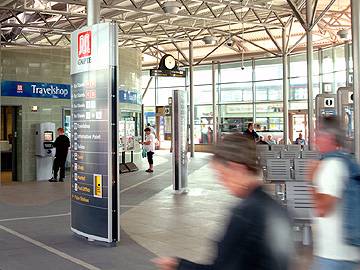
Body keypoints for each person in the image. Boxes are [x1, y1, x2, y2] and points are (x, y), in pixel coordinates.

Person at [153, 134, 294, 270]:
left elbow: (223, 267)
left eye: (221, 174)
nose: (221, 182)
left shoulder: (245, 213)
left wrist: (179, 266)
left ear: (236, 168)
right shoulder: (274, 207)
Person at [310, 116, 360, 270]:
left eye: (317, 134)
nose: (314, 138)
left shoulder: (331, 166)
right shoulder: (348, 161)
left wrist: (311, 181)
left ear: (329, 137)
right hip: (347, 250)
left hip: (333, 255)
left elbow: (322, 209)